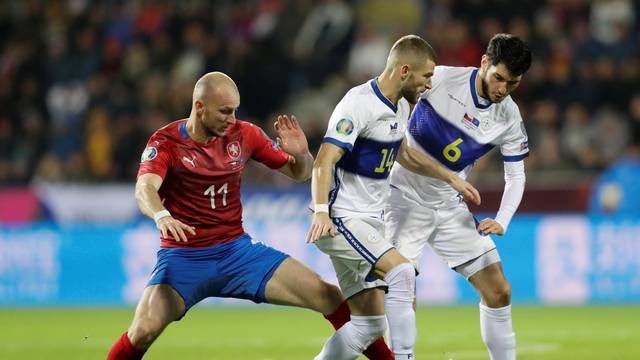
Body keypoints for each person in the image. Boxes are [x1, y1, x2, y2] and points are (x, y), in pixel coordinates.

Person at [106, 72, 393, 359]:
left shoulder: (245, 134)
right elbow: (144, 188)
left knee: (328, 295)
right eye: (225, 111)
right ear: (199, 107)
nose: (232, 118)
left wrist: (303, 155)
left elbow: (299, 173)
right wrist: (161, 215)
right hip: (184, 258)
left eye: (235, 111)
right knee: (142, 331)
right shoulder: (166, 142)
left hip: (237, 253)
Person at [306, 35, 481, 360]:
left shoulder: (401, 105)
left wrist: (450, 177)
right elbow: (323, 160)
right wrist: (320, 212)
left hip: (370, 222)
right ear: (404, 70)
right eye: (426, 76)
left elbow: (405, 155)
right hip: (341, 218)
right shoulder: (357, 104)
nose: (429, 84)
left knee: (369, 325)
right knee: (401, 272)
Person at [384, 33, 532, 360]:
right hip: (402, 197)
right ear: (483, 63)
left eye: (513, 83)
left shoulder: (509, 117)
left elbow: (516, 174)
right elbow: (396, 133)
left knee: (499, 290)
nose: (502, 90)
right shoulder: (439, 80)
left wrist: (503, 219)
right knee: (401, 284)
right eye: (499, 78)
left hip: (449, 205)